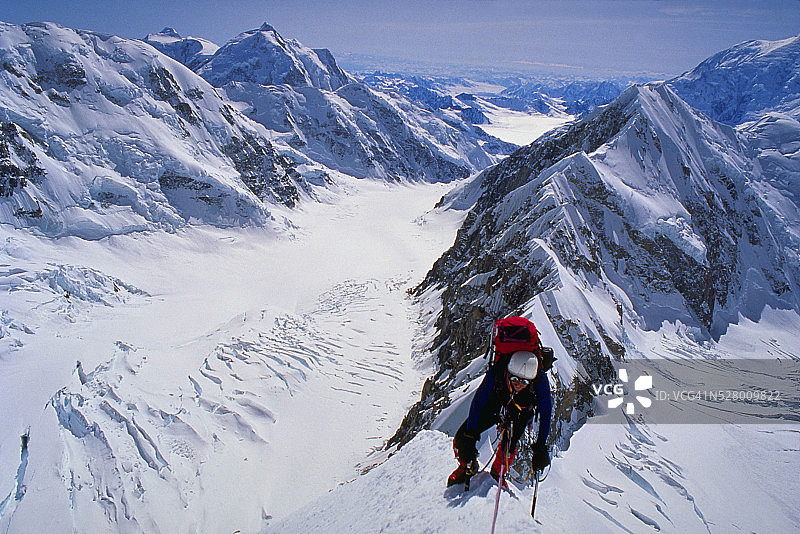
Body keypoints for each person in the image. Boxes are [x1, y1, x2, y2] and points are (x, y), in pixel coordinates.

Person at [448, 350, 552, 486]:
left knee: (509, 446)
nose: (518, 384)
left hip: (522, 412)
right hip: (496, 401)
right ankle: (465, 466)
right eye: (514, 378)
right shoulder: (498, 371)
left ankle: (498, 474)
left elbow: (546, 414)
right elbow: (478, 402)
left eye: (525, 381)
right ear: (508, 373)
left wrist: (540, 447)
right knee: (462, 438)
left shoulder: (540, 381)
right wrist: (469, 435)